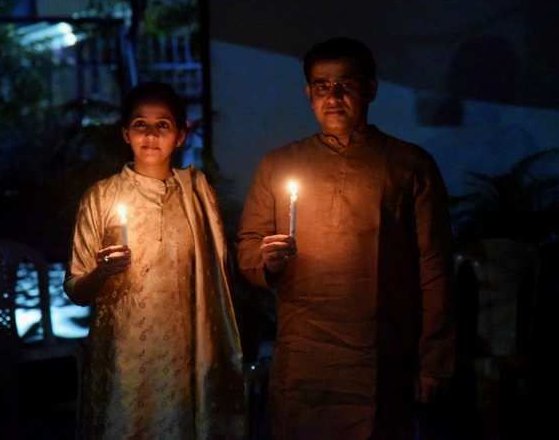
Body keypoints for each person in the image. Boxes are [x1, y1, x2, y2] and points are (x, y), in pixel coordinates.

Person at [237, 37, 454, 439]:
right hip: (304, 356)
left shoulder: (408, 165)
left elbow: (434, 268)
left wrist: (433, 361)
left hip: (380, 353)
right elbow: (249, 248)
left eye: (346, 84)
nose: (333, 97)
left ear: (370, 89)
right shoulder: (279, 164)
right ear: (308, 94)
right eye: (322, 86)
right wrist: (267, 261)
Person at [64, 82, 245, 439]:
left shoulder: (197, 193)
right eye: (140, 125)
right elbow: (75, 288)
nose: (150, 135)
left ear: (180, 135)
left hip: (186, 352)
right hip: (124, 355)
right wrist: (101, 273)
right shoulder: (101, 197)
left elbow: (217, 280)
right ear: (125, 134)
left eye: (162, 125)